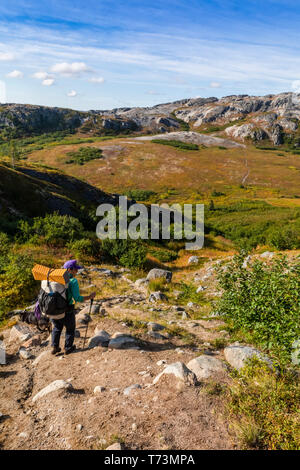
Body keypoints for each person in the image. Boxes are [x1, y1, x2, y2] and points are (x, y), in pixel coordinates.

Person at [51, 260, 96, 355]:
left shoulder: (54, 278)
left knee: (57, 327)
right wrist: (90, 297)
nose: (77, 271)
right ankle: (68, 347)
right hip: (67, 309)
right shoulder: (72, 281)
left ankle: (55, 347)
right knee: (70, 329)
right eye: (75, 269)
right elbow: (77, 298)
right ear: (69, 270)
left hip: (53, 309)